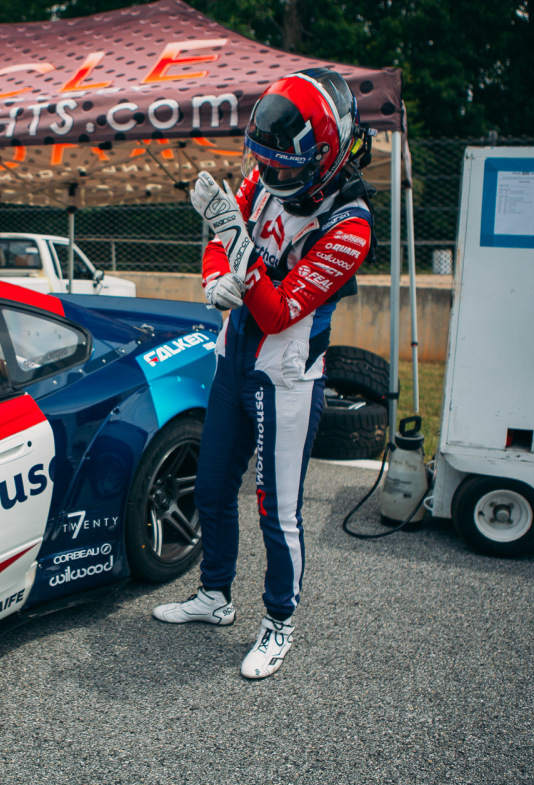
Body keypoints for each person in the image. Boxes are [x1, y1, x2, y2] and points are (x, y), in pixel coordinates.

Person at [153, 68, 376, 679]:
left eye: (285, 170)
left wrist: (232, 234)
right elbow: (223, 240)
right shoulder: (270, 167)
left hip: (287, 374)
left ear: (325, 158)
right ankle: (215, 596)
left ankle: (279, 622)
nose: (272, 178)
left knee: (276, 511)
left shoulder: (350, 226)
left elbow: (278, 311)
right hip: (233, 356)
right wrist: (214, 277)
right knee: (213, 488)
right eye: (265, 166)